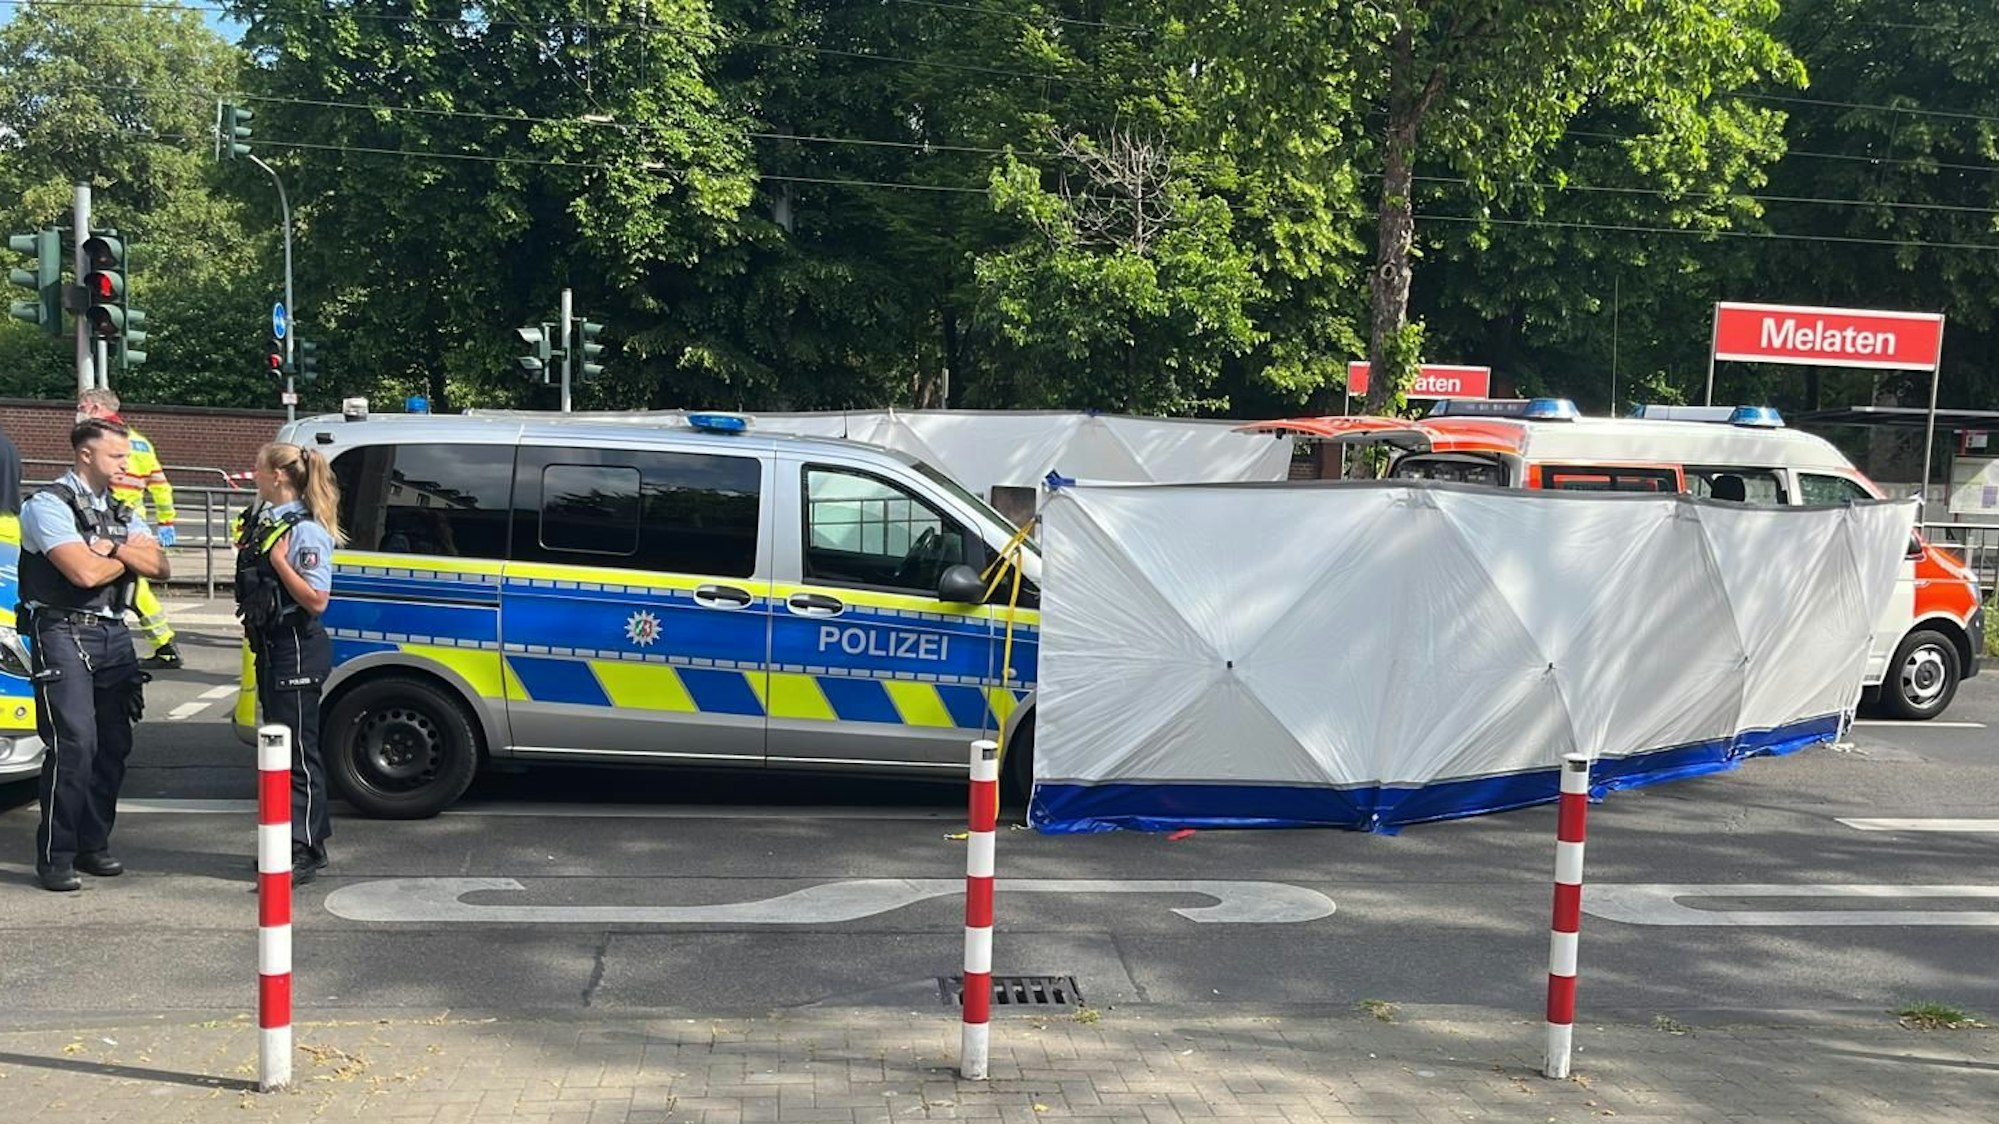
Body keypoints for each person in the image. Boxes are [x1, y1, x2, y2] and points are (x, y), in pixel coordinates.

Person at [19, 418, 170, 891]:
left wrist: (115, 548)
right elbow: (81, 574)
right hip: (63, 629)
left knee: (113, 746)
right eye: (117, 457)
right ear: (87, 454)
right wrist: (121, 558)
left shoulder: (122, 512)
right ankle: (56, 854)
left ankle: (92, 844)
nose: (127, 465)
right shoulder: (48, 505)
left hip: (113, 634)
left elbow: (160, 566)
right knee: (75, 745)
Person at [236, 442, 342, 884]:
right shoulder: (266, 521)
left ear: (278, 475)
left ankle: (307, 848)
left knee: (298, 750)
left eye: (258, 469)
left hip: (296, 645)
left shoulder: (304, 531)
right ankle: (287, 838)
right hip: (271, 646)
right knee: (279, 748)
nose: (254, 476)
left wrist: (280, 563)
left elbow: (317, 600)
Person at [75, 390, 182, 669]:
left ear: (97, 408)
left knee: (131, 587)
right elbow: (160, 483)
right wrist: (167, 520)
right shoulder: (140, 441)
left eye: (82, 406)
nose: (78, 411)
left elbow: (105, 486)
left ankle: (164, 644)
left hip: (112, 521)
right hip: (134, 521)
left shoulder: (104, 441)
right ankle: (162, 644)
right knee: (131, 584)